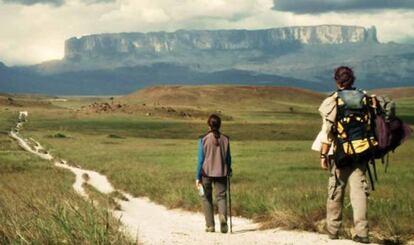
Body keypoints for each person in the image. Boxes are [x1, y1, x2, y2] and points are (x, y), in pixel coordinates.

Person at [318, 66, 375, 244]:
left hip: (341, 153)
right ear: (353, 80)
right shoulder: (365, 98)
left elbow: (327, 132)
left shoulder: (333, 100)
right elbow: (371, 125)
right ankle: (362, 233)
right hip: (363, 151)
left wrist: (323, 156)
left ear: (336, 80)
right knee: (359, 193)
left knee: (335, 189)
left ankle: (333, 230)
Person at [195, 114, 232, 233]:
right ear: (219, 125)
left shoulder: (203, 139)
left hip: (206, 173)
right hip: (222, 172)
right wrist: (229, 169)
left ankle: (210, 226)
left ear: (209, 125)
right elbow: (228, 158)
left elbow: (201, 160)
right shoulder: (226, 139)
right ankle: (223, 217)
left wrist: (197, 177)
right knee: (221, 197)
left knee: (206, 198)